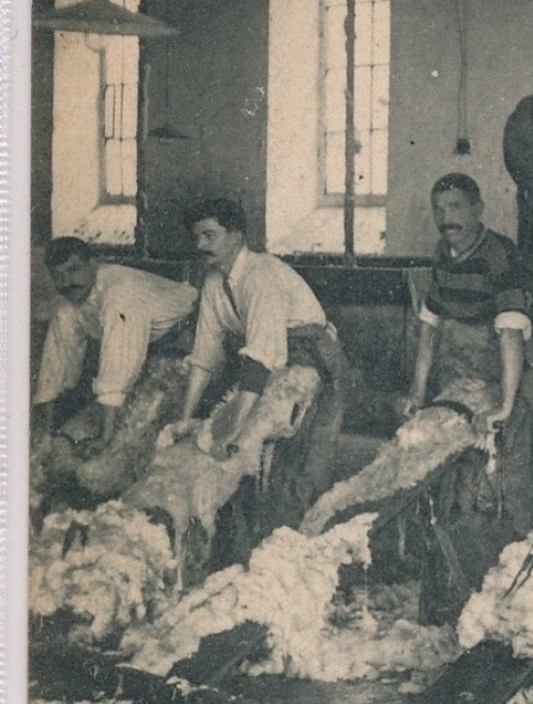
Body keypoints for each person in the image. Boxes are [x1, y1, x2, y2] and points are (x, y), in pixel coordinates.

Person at [174, 197, 349, 528]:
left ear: (236, 237)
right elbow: (204, 356)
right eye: (196, 237)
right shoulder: (213, 283)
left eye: (209, 235)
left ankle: (290, 548)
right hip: (270, 358)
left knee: (295, 463)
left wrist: (235, 429)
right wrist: (184, 420)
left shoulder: (261, 277)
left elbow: (261, 359)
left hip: (313, 362)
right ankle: (246, 535)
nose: (200, 245)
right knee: (240, 457)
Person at [33, 235, 197, 449]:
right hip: (147, 343)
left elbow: (118, 363)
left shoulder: (119, 294)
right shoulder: (70, 301)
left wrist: (105, 439)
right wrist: (47, 432)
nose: (66, 282)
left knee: (132, 436)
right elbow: (55, 364)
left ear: (93, 264)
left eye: (73, 270)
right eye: (58, 275)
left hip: (187, 333)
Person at [405, 173, 532, 437]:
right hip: (461, 371)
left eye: (455, 207)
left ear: (478, 209)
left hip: (504, 372)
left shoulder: (499, 253)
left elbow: (511, 331)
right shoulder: (442, 252)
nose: (446, 219)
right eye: (438, 210)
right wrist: (416, 394)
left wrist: (504, 408)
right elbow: (429, 326)